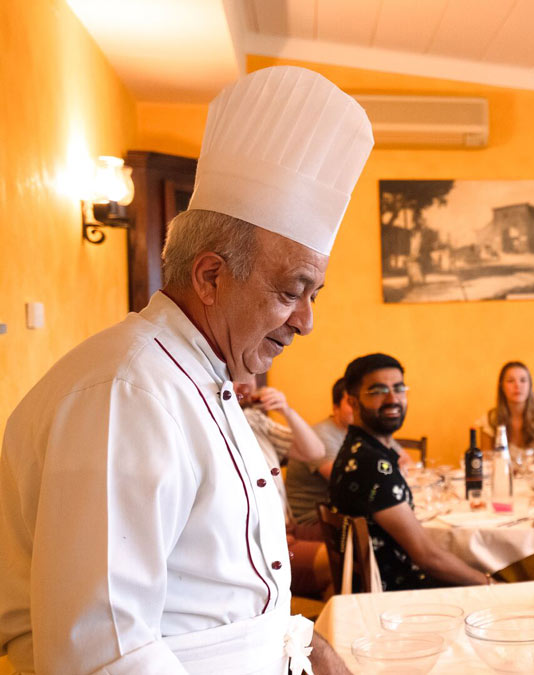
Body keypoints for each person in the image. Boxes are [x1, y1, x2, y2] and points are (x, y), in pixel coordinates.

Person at [0, 66, 372, 673]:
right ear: (209, 277)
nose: (306, 321)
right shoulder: (127, 393)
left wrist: (303, 642)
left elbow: (212, 596)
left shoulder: (197, 377)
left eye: (315, 294)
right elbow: (104, 654)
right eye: (291, 291)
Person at [329, 353, 492, 590]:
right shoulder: (372, 465)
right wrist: (490, 583)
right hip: (398, 597)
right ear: (353, 402)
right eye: (377, 391)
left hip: (390, 585)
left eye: (399, 388)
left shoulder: (361, 449)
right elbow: (428, 558)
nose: (392, 399)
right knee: (505, 578)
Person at [234, 382, 330, 598]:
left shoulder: (253, 420)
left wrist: (286, 411)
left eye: (251, 377)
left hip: (287, 528)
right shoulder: (212, 427)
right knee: (338, 561)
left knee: (349, 540)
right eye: (237, 377)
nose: (247, 385)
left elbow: (315, 452)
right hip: (260, 543)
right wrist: (271, 536)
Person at [286, 377, 358, 530]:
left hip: (336, 511)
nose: (358, 408)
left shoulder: (358, 432)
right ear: (335, 407)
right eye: (352, 403)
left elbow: (404, 460)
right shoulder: (322, 434)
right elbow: (344, 481)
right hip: (310, 519)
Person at [476, 361, 534, 452]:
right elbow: (486, 460)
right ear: (502, 386)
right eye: (510, 381)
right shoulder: (490, 419)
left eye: (523, 380)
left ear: (530, 385)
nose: (517, 385)